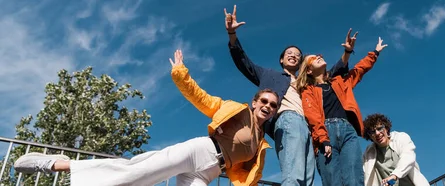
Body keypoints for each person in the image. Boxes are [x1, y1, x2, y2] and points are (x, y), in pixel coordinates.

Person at [13, 49, 279, 186]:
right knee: (137, 173)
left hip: (210, 172)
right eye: (264, 101)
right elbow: (202, 98)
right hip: (199, 151)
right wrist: (181, 74)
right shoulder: (237, 110)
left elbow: (248, 177)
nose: (267, 106)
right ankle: (57, 164)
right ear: (254, 102)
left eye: (272, 105)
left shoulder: (261, 144)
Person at [223, 5, 357, 186]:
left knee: (307, 179)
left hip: (310, 127)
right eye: (289, 54)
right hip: (289, 120)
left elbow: (331, 76)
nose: (293, 56)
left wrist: (347, 53)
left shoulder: (307, 84)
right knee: (293, 175)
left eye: (297, 55)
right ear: (282, 59)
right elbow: (244, 63)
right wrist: (232, 35)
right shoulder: (269, 75)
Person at [296, 36, 388, 186]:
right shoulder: (308, 91)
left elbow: (359, 69)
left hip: (348, 132)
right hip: (325, 133)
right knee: (332, 179)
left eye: (319, 55)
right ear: (309, 70)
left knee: (354, 175)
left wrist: (375, 53)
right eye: (313, 58)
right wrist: (323, 139)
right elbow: (313, 116)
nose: (319, 56)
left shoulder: (340, 82)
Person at [362, 113, 429, 186]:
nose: (377, 133)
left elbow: (408, 157)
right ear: (369, 136)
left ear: (386, 128)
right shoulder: (369, 153)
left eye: (379, 128)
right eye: (372, 132)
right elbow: (363, 173)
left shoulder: (400, 138)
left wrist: (394, 175)